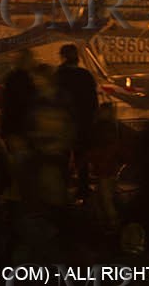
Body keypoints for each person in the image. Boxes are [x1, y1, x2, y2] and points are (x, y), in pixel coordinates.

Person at [55, 43, 99, 198]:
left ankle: (61, 190)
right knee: (82, 159)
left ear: (62, 57)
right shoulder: (85, 76)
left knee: (62, 159)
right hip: (82, 124)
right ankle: (83, 189)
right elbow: (93, 102)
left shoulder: (58, 76)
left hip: (64, 124)